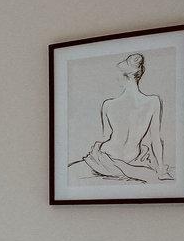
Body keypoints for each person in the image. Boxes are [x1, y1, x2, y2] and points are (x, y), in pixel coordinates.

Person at [72, 53, 171, 182]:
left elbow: (106, 136)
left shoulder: (108, 104)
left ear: (125, 76)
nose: (116, 78)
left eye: (118, 74)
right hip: (130, 158)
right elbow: (156, 139)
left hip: (106, 156)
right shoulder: (153, 102)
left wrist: (96, 144)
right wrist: (161, 168)